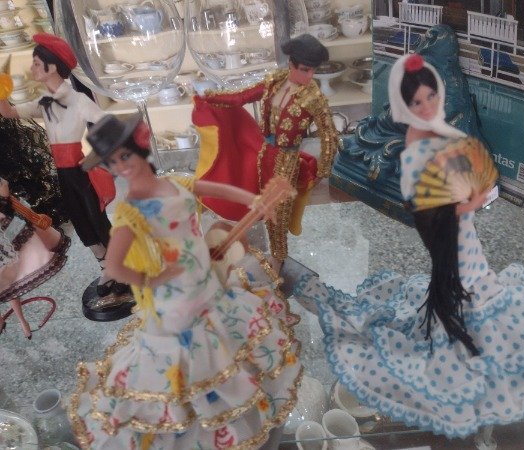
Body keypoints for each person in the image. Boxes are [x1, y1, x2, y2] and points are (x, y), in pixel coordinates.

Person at [293, 54, 524, 438]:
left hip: (460, 229)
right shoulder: (417, 146)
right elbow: (426, 198)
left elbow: (473, 180)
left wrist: (473, 189)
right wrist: (465, 198)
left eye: (431, 96)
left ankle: (468, 323)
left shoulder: (441, 136)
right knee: (463, 280)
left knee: (473, 281)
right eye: (417, 101)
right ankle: (463, 328)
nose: (426, 105)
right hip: (445, 231)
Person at [69, 114, 302, 449]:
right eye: (112, 162)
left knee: (224, 337)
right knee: (188, 353)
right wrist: (152, 279)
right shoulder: (132, 211)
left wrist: (251, 200)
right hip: (177, 295)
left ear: (140, 146)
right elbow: (116, 267)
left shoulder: (173, 183)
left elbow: (210, 188)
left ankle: (226, 402)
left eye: (125, 155)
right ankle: (190, 416)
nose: (121, 166)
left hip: (204, 277)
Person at [196, 33, 338, 273]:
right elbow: (241, 97)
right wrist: (211, 98)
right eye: (305, 70)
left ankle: (278, 257)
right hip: (263, 153)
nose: (309, 76)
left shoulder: (313, 98)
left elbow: (329, 135)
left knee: (277, 212)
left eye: (313, 70)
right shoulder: (275, 80)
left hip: (286, 160)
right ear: (291, 64)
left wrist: (324, 170)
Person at [0, 33, 121, 299]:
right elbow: (8, 112)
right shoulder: (44, 103)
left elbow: (108, 126)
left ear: (52, 67)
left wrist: (96, 158)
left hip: (80, 171)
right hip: (63, 174)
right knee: (81, 222)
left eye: (36, 63)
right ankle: (105, 266)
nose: (32, 68)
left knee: (97, 220)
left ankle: (120, 269)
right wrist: (2, 91)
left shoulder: (78, 101)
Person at [0, 178, 70, 339]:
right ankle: (22, 322)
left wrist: (4, 202)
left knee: (9, 280)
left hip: (6, 233)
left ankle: (22, 322)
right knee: (6, 282)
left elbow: (4, 187)